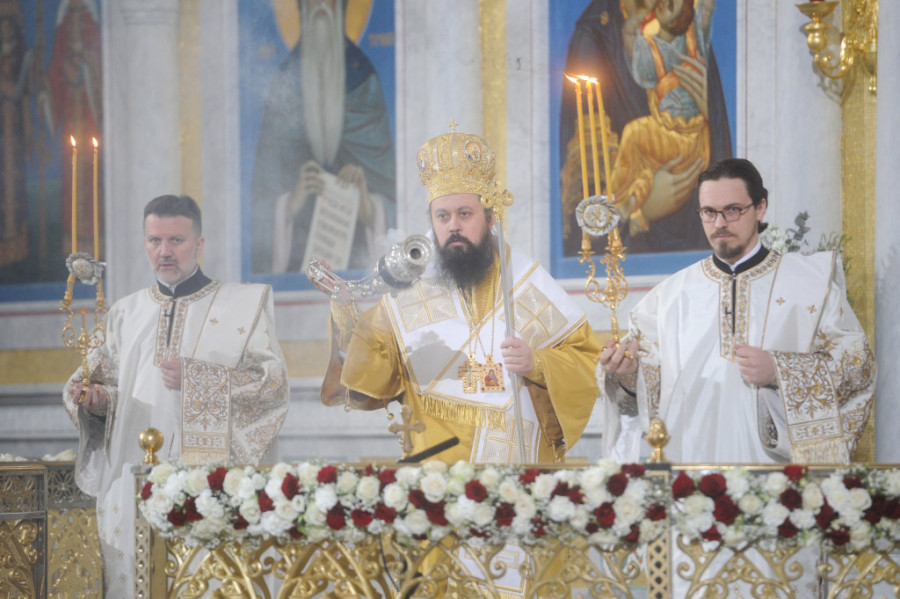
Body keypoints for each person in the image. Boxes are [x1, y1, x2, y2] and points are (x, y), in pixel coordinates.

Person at [315, 127, 602, 467]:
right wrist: (345, 307)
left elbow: (586, 360)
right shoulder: (408, 293)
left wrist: (536, 364)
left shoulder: (528, 284)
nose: (453, 226)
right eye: (443, 216)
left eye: (465, 214)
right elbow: (365, 373)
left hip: (519, 472)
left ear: (490, 218)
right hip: (435, 475)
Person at [62, 195, 290, 595]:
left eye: (176, 240)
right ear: (145, 243)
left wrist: (199, 377)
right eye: (155, 241)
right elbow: (100, 383)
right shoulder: (124, 313)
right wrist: (97, 402)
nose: (164, 251)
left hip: (210, 484)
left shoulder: (242, 305)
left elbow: (272, 387)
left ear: (198, 244)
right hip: (131, 478)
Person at [597, 158, 875, 464]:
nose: (719, 223)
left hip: (779, 469)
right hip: (692, 464)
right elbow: (645, 387)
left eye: (733, 210)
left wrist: (779, 370)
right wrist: (628, 372)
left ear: (760, 208)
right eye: (709, 212)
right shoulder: (668, 297)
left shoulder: (810, 284)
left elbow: (857, 367)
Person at [559, 0, 732, 255]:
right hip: (629, 253)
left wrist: (708, 110)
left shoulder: (686, 28)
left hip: (695, 230)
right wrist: (642, 211)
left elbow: (721, 150)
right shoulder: (596, 37)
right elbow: (583, 207)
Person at [250, 0, 395, 274]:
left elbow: (395, 196)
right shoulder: (283, 84)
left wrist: (368, 208)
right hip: (296, 269)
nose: (319, 4)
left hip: (359, 270)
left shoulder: (365, 81)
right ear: (300, 7)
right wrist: (289, 205)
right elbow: (260, 198)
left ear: (341, 6)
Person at [609, 0, 715, 235]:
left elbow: (707, 9)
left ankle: (609, 207)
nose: (664, 2)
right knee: (645, 171)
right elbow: (630, 39)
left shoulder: (694, 39)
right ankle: (623, 207)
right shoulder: (650, 49)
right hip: (665, 134)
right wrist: (638, 15)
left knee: (634, 134)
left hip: (691, 139)